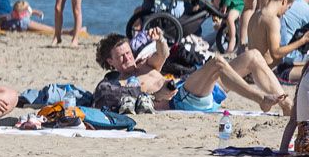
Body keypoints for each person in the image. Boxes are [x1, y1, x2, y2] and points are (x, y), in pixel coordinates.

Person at [96, 28, 288, 113]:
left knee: (253, 56)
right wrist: (158, 96)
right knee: (217, 63)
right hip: (182, 100)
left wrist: (159, 39)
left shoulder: (144, 64)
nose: (128, 58)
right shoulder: (120, 85)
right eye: (121, 57)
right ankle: (261, 99)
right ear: (110, 62)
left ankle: (287, 106)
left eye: (128, 52)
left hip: (197, 90)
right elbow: (142, 104)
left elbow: (163, 54)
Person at [248, 0, 309, 75]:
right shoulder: (273, 20)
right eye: (288, 7)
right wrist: (302, 41)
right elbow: (276, 54)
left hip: (252, 68)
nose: (285, 12)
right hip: (267, 71)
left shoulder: (255, 15)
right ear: (285, 0)